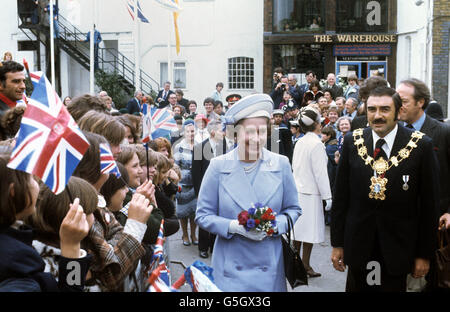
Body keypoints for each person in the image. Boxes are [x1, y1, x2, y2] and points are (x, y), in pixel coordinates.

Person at [330, 87, 440, 292]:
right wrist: (337, 243)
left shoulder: (421, 146)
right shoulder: (353, 142)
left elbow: (428, 205)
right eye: (372, 109)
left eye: (385, 109)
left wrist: (424, 254)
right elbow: (341, 197)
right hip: (358, 245)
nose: (377, 116)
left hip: (399, 247)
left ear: (398, 112)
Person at [195, 93, 302, 292]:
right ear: (236, 133)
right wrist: (232, 226)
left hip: (268, 265)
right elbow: (202, 215)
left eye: (261, 132)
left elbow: (293, 210)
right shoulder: (218, 166)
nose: (255, 138)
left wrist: (272, 226)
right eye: (249, 131)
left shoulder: (281, 164)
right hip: (230, 268)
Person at [0, 149, 92, 292]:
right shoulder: (17, 264)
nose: (37, 182)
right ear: (13, 191)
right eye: (31, 178)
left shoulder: (16, 243)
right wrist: (71, 246)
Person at [27, 177, 98, 290]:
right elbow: (73, 287)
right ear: (73, 216)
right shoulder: (44, 266)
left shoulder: (86, 242)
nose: (94, 217)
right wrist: (72, 248)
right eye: (91, 211)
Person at [292, 107, 332, 277]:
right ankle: (304, 265)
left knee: (298, 233)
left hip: (298, 190)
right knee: (308, 233)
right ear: (316, 124)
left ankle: (297, 263)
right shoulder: (316, 143)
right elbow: (320, 173)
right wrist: (328, 196)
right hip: (311, 193)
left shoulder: (300, 141)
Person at [192, 120, 229, 258]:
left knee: (218, 217)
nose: (224, 133)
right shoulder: (199, 148)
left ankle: (214, 245)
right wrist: (198, 193)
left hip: (222, 189)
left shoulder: (226, 147)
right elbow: (195, 173)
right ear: (213, 132)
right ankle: (203, 247)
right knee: (204, 217)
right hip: (204, 189)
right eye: (221, 130)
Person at [172, 120, 198, 246]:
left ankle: (193, 234)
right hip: (183, 184)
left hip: (196, 184)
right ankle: (185, 235)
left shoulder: (200, 146)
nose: (190, 133)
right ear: (184, 132)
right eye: (188, 131)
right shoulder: (179, 146)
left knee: (194, 212)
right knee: (182, 213)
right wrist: (176, 183)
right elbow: (175, 167)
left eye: (192, 131)